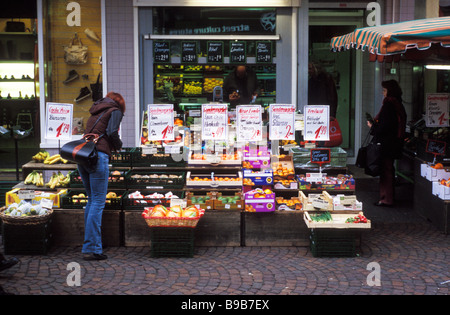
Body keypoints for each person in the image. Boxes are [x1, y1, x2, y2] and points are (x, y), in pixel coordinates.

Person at [78, 92, 125, 260]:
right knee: (98, 201)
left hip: (84, 156)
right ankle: (93, 249)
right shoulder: (115, 110)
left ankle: (92, 242)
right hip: (98, 157)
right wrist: (118, 146)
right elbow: (112, 132)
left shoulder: (96, 110)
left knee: (91, 200)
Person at [367, 80, 407, 207]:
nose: (382, 93)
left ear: (390, 91)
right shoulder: (398, 104)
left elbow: (385, 126)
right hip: (394, 143)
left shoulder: (389, 105)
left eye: (384, 90)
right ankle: (388, 197)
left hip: (386, 144)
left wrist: (372, 126)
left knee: (386, 171)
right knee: (389, 169)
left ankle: (386, 199)